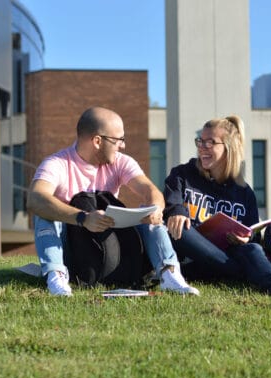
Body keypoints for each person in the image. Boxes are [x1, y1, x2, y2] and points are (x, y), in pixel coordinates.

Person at [27, 107, 199, 296]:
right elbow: (35, 199)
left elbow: (150, 190)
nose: (122, 146)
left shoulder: (120, 162)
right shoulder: (57, 163)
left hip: (111, 246)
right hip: (72, 251)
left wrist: (156, 209)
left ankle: (170, 275)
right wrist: (83, 218)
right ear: (97, 141)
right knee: (44, 216)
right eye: (118, 140)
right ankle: (56, 276)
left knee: (148, 213)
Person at [164, 115, 271, 295]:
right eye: (200, 141)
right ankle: (243, 274)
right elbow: (172, 202)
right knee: (180, 228)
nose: (202, 147)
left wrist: (246, 238)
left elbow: (253, 235)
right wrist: (177, 211)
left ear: (229, 148)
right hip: (189, 260)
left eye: (210, 142)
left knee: (252, 248)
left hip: (224, 258)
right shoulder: (182, 174)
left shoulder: (244, 193)